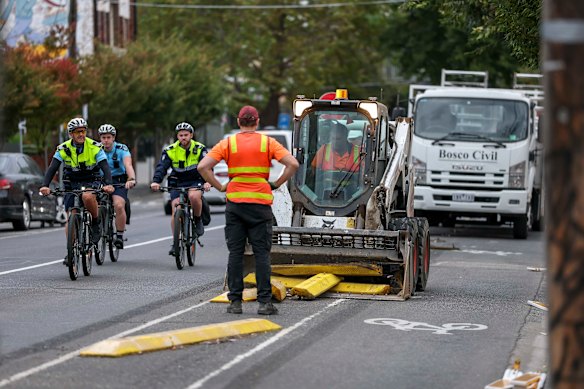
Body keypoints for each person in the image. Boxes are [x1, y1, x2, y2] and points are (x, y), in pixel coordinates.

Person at [198, 105, 299, 316]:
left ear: (238, 121)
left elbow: (203, 167)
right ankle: (264, 303)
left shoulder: (229, 143)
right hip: (260, 205)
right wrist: (276, 183)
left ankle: (235, 302)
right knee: (262, 254)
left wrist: (220, 186)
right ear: (257, 121)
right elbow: (293, 164)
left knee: (235, 253)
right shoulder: (267, 142)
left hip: (235, 204)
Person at [40, 118, 114, 263]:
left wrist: (109, 184)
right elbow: (52, 168)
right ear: (71, 134)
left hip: (91, 180)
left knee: (87, 197)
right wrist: (45, 185)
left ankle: (95, 221)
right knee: (71, 216)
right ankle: (71, 250)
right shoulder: (63, 148)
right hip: (71, 182)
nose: (81, 134)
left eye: (83, 131)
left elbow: (105, 167)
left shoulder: (94, 146)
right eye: (78, 132)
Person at [150, 122, 211, 256]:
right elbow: (162, 167)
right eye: (180, 135)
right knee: (176, 208)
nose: (183, 137)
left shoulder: (200, 148)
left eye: (186, 135)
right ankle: (176, 242)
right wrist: (156, 181)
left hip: (195, 180)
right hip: (177, 181)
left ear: (191, 135)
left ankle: (198, 219)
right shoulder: (170, 150)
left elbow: (207, 166)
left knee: (194, 197)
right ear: (177, 136)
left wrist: (207, 182)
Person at [97, 124, 136, 249]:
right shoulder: (95, 149)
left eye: (108, 137)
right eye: (103, 137)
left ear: (113, 138)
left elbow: (128, 165)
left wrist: (131, 179)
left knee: (118, 205)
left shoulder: (121, 148)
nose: (106, 140)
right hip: (101, 181)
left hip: (118, 181)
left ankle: (119, 235)